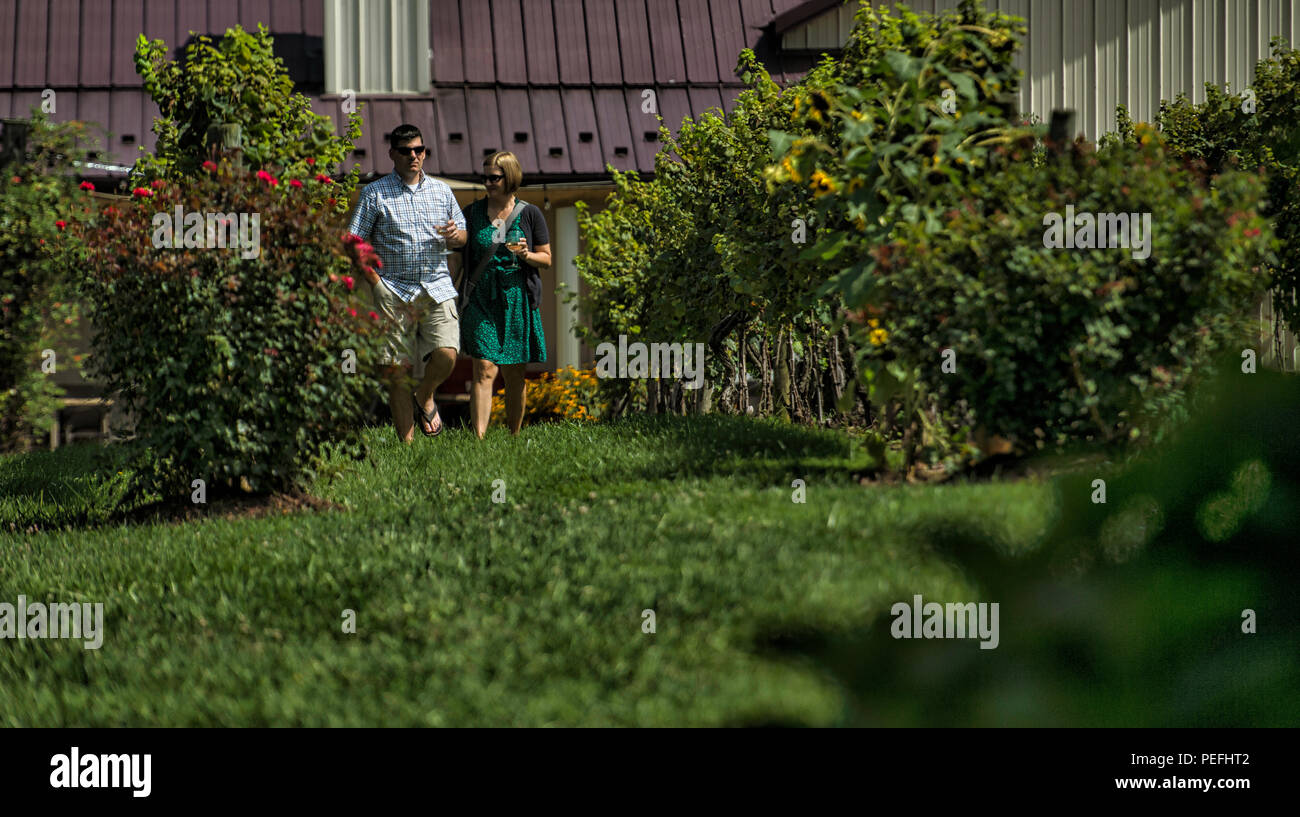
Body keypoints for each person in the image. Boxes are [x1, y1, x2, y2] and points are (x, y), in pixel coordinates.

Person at [345, 124, 466, 442]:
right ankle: (407, 446)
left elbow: (463, 233)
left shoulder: (442, 191)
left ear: (425, 152)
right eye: (406, 150)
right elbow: (354, 241)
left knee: (448, 353)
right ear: (392, 155)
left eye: (419, 149)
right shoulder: (374, 192)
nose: (414, 155)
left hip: (436, 285)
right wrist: (375, 283)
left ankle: (425, 394)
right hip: (393, 289)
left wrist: (458, 235)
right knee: (396, 370)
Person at [460, 151, 551, 438]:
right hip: (481, 297)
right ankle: (479, 440)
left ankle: (513, 436)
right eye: (484, 176)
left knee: (514, 373)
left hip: (516, 298)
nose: (487, 182)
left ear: (509, 177)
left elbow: (547, 259)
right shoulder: (471, 213)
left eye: (494, 177)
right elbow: (458, 254)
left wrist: (526, 255)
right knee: (484, 368)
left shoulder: (530, 213)